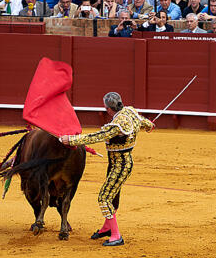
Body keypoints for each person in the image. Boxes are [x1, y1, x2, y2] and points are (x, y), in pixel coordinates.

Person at [59, 92, 154, 247]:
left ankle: (116, 236)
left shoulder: (117, 126)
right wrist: (149, 125)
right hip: (118, 163)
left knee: (104, 198)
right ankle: (107, 228)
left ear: (109, 109)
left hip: (120, 165)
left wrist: (71, 140)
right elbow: (142, 120)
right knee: (112, 195)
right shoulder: (130, 111)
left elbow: (96, 137)